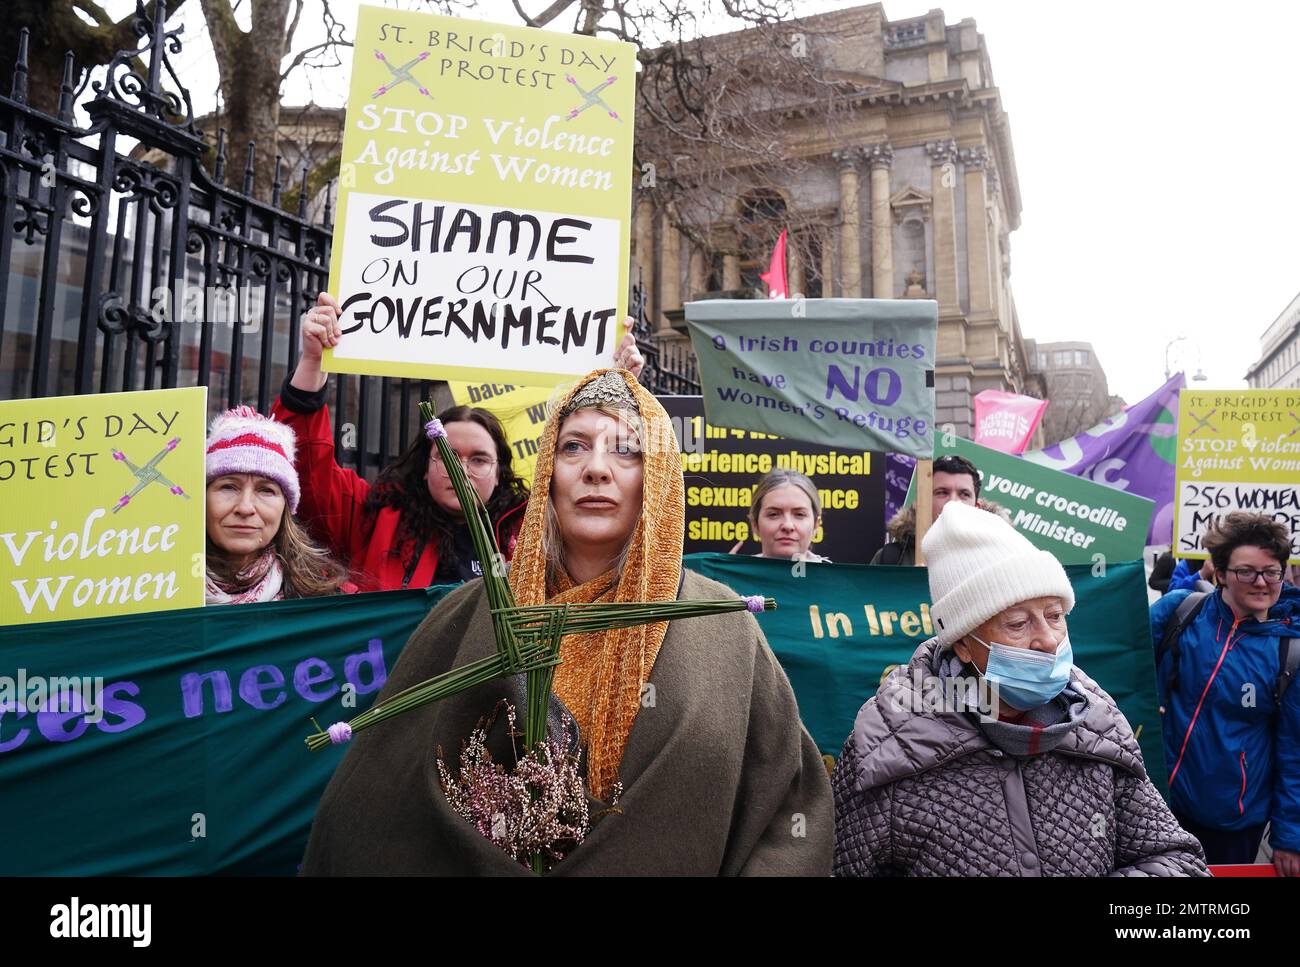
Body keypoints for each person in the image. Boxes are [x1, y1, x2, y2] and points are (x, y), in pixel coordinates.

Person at [300, 368, 833, 875]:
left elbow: (787, 810)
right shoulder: (468, 616)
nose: (595, 468)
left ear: (660, 475)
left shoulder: (722, 627)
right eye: (573, 446)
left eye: (626, 450)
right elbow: (374, 802)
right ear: (548, 474)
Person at [833, 500, 1208, 876]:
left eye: (1055, 616)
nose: (1047, 640)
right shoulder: (887, 749)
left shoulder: (1098, 725)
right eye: (1017, 623)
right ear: (963, 644)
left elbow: (1177, 860)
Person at [271, 292, 645, 591]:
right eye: (446, 456)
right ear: (423, 466)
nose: (460, 470)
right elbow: (305, 467)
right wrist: (313, 359)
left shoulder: (536, 530)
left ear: (499, 473)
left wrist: (614, 391)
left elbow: (610, 514)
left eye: (479, 459)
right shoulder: (374, 517)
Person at [1150, 512, 1300, 874]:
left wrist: (1290, 837)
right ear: (1219, 573)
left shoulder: (1290, 652)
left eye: (1272, 571)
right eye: (1246, 571)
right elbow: (1125, 662)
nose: (1261, 582)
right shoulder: (1180, 611)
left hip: (1233, 824)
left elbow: (1295, 751)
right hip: (1158, 807)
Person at [205, 406, 350, 604]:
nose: (245, 508)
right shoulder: (157, 586)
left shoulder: (327, 603)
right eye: (229, 487)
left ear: (286, 507)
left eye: (266, 490)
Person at [870, 453, 985, 565]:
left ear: (977, 507)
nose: (952, 502)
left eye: (964, 494)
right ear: (924, 502)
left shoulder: (995, 557)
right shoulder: (891, 558)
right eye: (942, 492)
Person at [733, 468, 831, 562]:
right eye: (774, 514)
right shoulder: (728, 577)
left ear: (816, 525)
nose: (787, 525)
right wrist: (724, 577)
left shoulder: (832, 578)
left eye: (799, 514)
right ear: (754, 524)